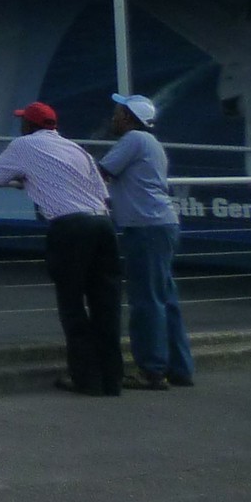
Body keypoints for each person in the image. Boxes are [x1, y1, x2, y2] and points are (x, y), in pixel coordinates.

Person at [0, 102, 121, 396]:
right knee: (105, 304)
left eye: (23, 121)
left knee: (72, 305)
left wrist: (24, 177)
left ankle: (86, 379)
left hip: (70, 227)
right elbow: (101, 192)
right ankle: (112, 379)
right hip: (102, 223)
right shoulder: (76, 148)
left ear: (29, 125)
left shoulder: (23, 144)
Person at [99, 94, 194, 390]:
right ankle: (180, 367)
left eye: (117, 113)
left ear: (128, 118)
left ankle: (151, 370)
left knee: (146, 301)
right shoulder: (151, 142)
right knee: (165, 298)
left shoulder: (133, 140)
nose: (113, 118)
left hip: (145, 228)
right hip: (162, 224)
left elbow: (101, 171)